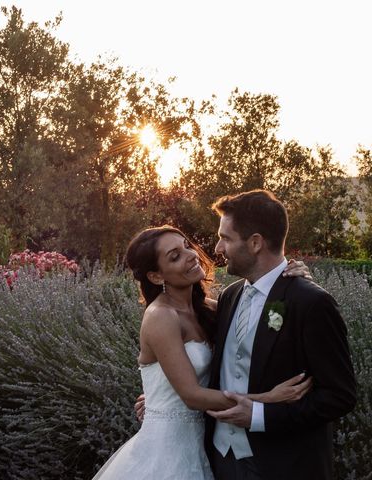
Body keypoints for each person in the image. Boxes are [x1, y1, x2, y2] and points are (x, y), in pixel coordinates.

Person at [93, 224, 313, 480]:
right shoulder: (160, 316)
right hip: (166, 452)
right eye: (175, 256)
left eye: (186, 245)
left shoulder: (209, 308)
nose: (190, 255)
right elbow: (192, 396)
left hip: (205, 444)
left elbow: (261, 320)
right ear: (156, 276)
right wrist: (268, 398)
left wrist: (296, 281)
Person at [203, 190, 356, 479]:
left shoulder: (311, 302)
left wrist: (260, 416)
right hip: (221, 458)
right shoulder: (230, 296)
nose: (218, 247)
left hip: (283, 466)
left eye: (226, 238)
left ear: (256, 243)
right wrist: (165, 395)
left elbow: (340, 396)